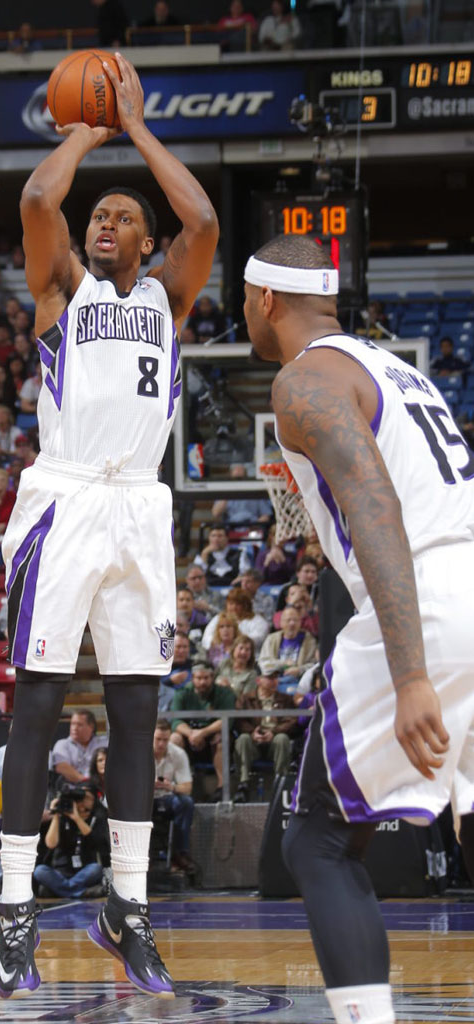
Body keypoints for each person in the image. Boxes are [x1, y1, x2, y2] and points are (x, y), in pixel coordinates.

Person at [0, 50, 218, 1000]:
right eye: (102, 219)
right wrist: (84, 126)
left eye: (125, 216)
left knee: (137, 708)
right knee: (38, 704)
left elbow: (202, 218)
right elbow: (40, 205)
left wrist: (137, 130)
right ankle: (14, 907)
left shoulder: (171, 297)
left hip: (141, 507)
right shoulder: (60, 295)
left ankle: (127, 907)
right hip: (67, 497)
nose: (107, 222)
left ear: (148, 240)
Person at [243, 233, 474, 1024]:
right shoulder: (397, 370)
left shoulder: (304, 380)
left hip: (426, 594)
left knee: (316, 841)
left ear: (265, 299)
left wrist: (411, 674)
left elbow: (375, 505)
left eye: (245, 299)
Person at [170, 662, 235, 801]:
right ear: (193, 678)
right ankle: (177, 785)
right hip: (190, 740)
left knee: (221, 738)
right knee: (174, 738)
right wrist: (191, 734)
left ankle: (222, 788)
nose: (202, 682)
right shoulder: (182, 693)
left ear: (212, 677)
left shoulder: (224, 693)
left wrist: (202, 733)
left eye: (206, 678)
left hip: (211, 739)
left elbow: (226, 720)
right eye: (199, 678)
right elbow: (175, 721)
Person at [33, 784, 109, 898]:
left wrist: (77, 818)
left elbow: (96, 842)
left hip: (85, 871)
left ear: (94, 800)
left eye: (87, 798)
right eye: (80, 798)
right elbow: (50, 844)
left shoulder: (96, 818)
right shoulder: (63, 817)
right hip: (61, 873)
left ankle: (62, 890)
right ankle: (81, 892)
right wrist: (56, 815)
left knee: (96, 869)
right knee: (40, 871)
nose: (83, 801)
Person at [233, 670, 296, 801]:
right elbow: (238, 720)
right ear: (258, 680)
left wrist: (274, 732)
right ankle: (243, 783)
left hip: (274, 741)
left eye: (276, 678)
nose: (274, 681)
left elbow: (291, 720)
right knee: (243, 739)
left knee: (282, 739)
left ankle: (280, 782)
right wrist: (252, 732)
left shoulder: (285, 699)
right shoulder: (245, 698)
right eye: (269, 678)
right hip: (253, 742)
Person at [152, 719, 195, 873]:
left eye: (165, 740)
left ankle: (180, 852)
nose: (162, 744)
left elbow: (187, 787)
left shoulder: (178, 753)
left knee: (186, 803)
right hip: (144, 798)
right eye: (158, 739)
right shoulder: (139, 753)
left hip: (167, 797)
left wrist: (171, 786)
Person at [52, 710, 106, 783]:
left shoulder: (103, 743)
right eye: (72, 724)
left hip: (102, 788)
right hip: (74, 789)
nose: (74, 728)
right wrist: (86, 782)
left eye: (79, 725)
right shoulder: (62, 744)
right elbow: (61, 767)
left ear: (91, 727)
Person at [216, 633, 257, 698]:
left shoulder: (251, 674)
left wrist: (229, 688)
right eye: (241, 648)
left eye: (247, 649)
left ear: (251, 654)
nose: (243, 652)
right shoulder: (224, 663)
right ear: (234, 649)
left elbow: (246, 701)